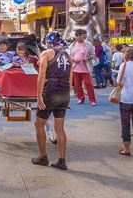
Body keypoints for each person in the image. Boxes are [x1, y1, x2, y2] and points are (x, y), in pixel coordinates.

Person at [33, 31, 72, 171]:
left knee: (39, 124)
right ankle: (62, 160)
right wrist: (69, 93)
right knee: (60, 128)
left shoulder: (46, 54)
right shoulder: (68, 56)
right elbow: (70, 78)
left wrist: (39, 95)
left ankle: (43, 156)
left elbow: (42, 74)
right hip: (65, 92)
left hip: (50, 91)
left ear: (48, 42)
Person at [69, 29, 96, 105]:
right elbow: (69, 55)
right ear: (76, 36)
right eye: (78, 35)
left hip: (85, 67)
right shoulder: (72, 45)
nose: (80, 37)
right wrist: (73, 59)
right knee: (77, 85)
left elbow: (93, 55)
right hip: (76, 67)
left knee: (88, 84)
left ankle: (92, 100)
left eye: (81, 35)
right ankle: (81, 98)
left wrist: (87, 58)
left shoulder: (88, 44)